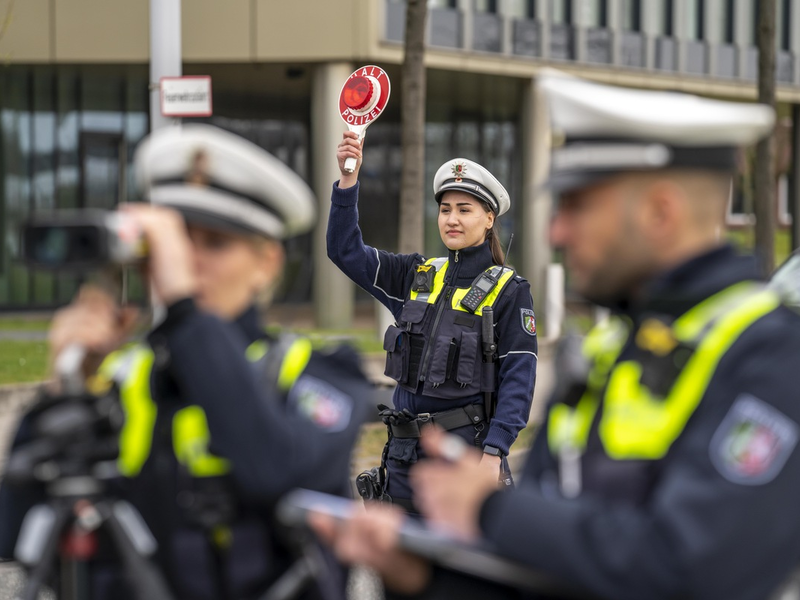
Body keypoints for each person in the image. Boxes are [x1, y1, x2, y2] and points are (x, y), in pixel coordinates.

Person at [312, 72, 800, 600]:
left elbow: (687, 567)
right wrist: (422, 580)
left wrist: (493, 502)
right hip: (405, 461)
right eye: (445, 208)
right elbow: (544, 573)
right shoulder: (608, 351)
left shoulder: (772, 356)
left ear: (661, 211)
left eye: (578, 206)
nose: (555, 232)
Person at [0, 124, 372, 600]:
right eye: (175, 243)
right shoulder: (126, 377)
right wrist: (63, 385)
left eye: (214, 243)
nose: (188, 263)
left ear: (267, 264)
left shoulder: (318, 372)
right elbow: (17, 532)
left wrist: (184, 309)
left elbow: (273, 467)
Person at [328, 131, 537, 512]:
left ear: (489, 218)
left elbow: (519, 377)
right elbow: (344, 250)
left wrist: (495, 453)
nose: (452, 219)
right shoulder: (416, 274)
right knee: (396, 565)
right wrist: (348, 181)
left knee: (458, 568)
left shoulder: (509, 290)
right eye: (445, 209)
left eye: (465, 209)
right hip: (402, 457)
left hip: (463, 456)